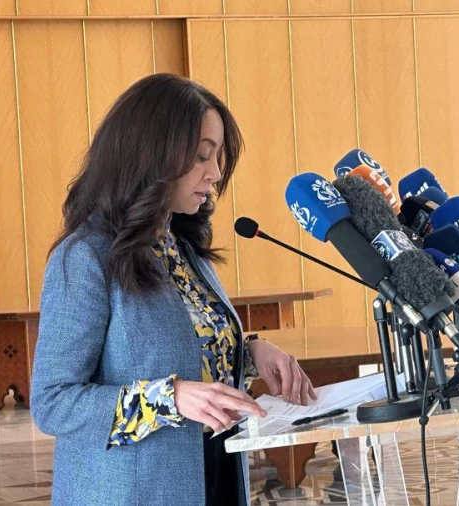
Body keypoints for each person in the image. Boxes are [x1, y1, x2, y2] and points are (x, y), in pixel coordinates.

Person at [30, 73, 317, 506]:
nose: (215, 173)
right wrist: (168, 398)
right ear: (152, 155)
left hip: (216, 476)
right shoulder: (85, 257)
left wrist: (251, 352)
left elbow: (182, 347)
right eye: (202, 156)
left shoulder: (183, 249)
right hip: (133, 493)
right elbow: (53, 403)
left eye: (217, 157)